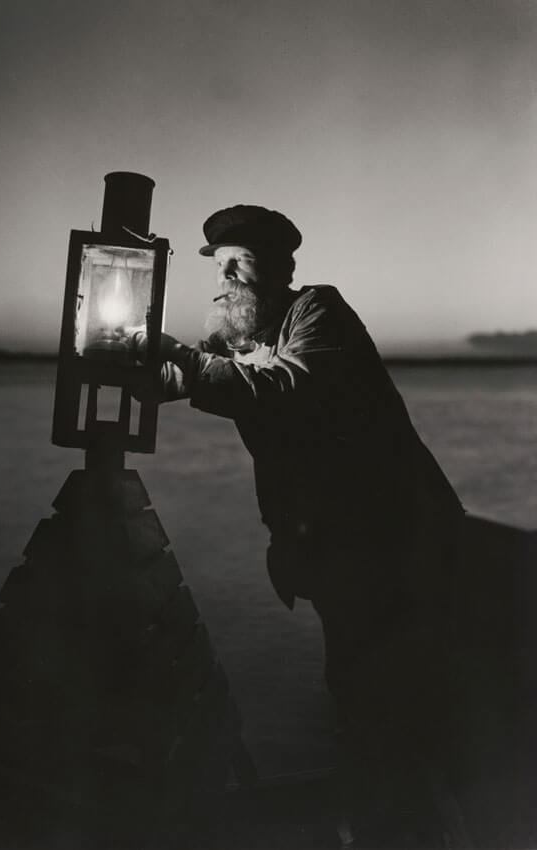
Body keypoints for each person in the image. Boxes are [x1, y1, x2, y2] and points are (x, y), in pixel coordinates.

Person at [130, 204, 466, 840]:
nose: (226, 277)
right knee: (357, 692)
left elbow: (287, 391)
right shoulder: (249, 335)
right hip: (341, 551)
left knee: (385, 700)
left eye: (241, 264)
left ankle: (404, 826)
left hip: (398, 541)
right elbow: (218, 375)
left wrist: (188, 365)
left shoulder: (319, 313)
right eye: (219, 266)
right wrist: (164, 374)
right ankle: (383, 816)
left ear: (281, 270)